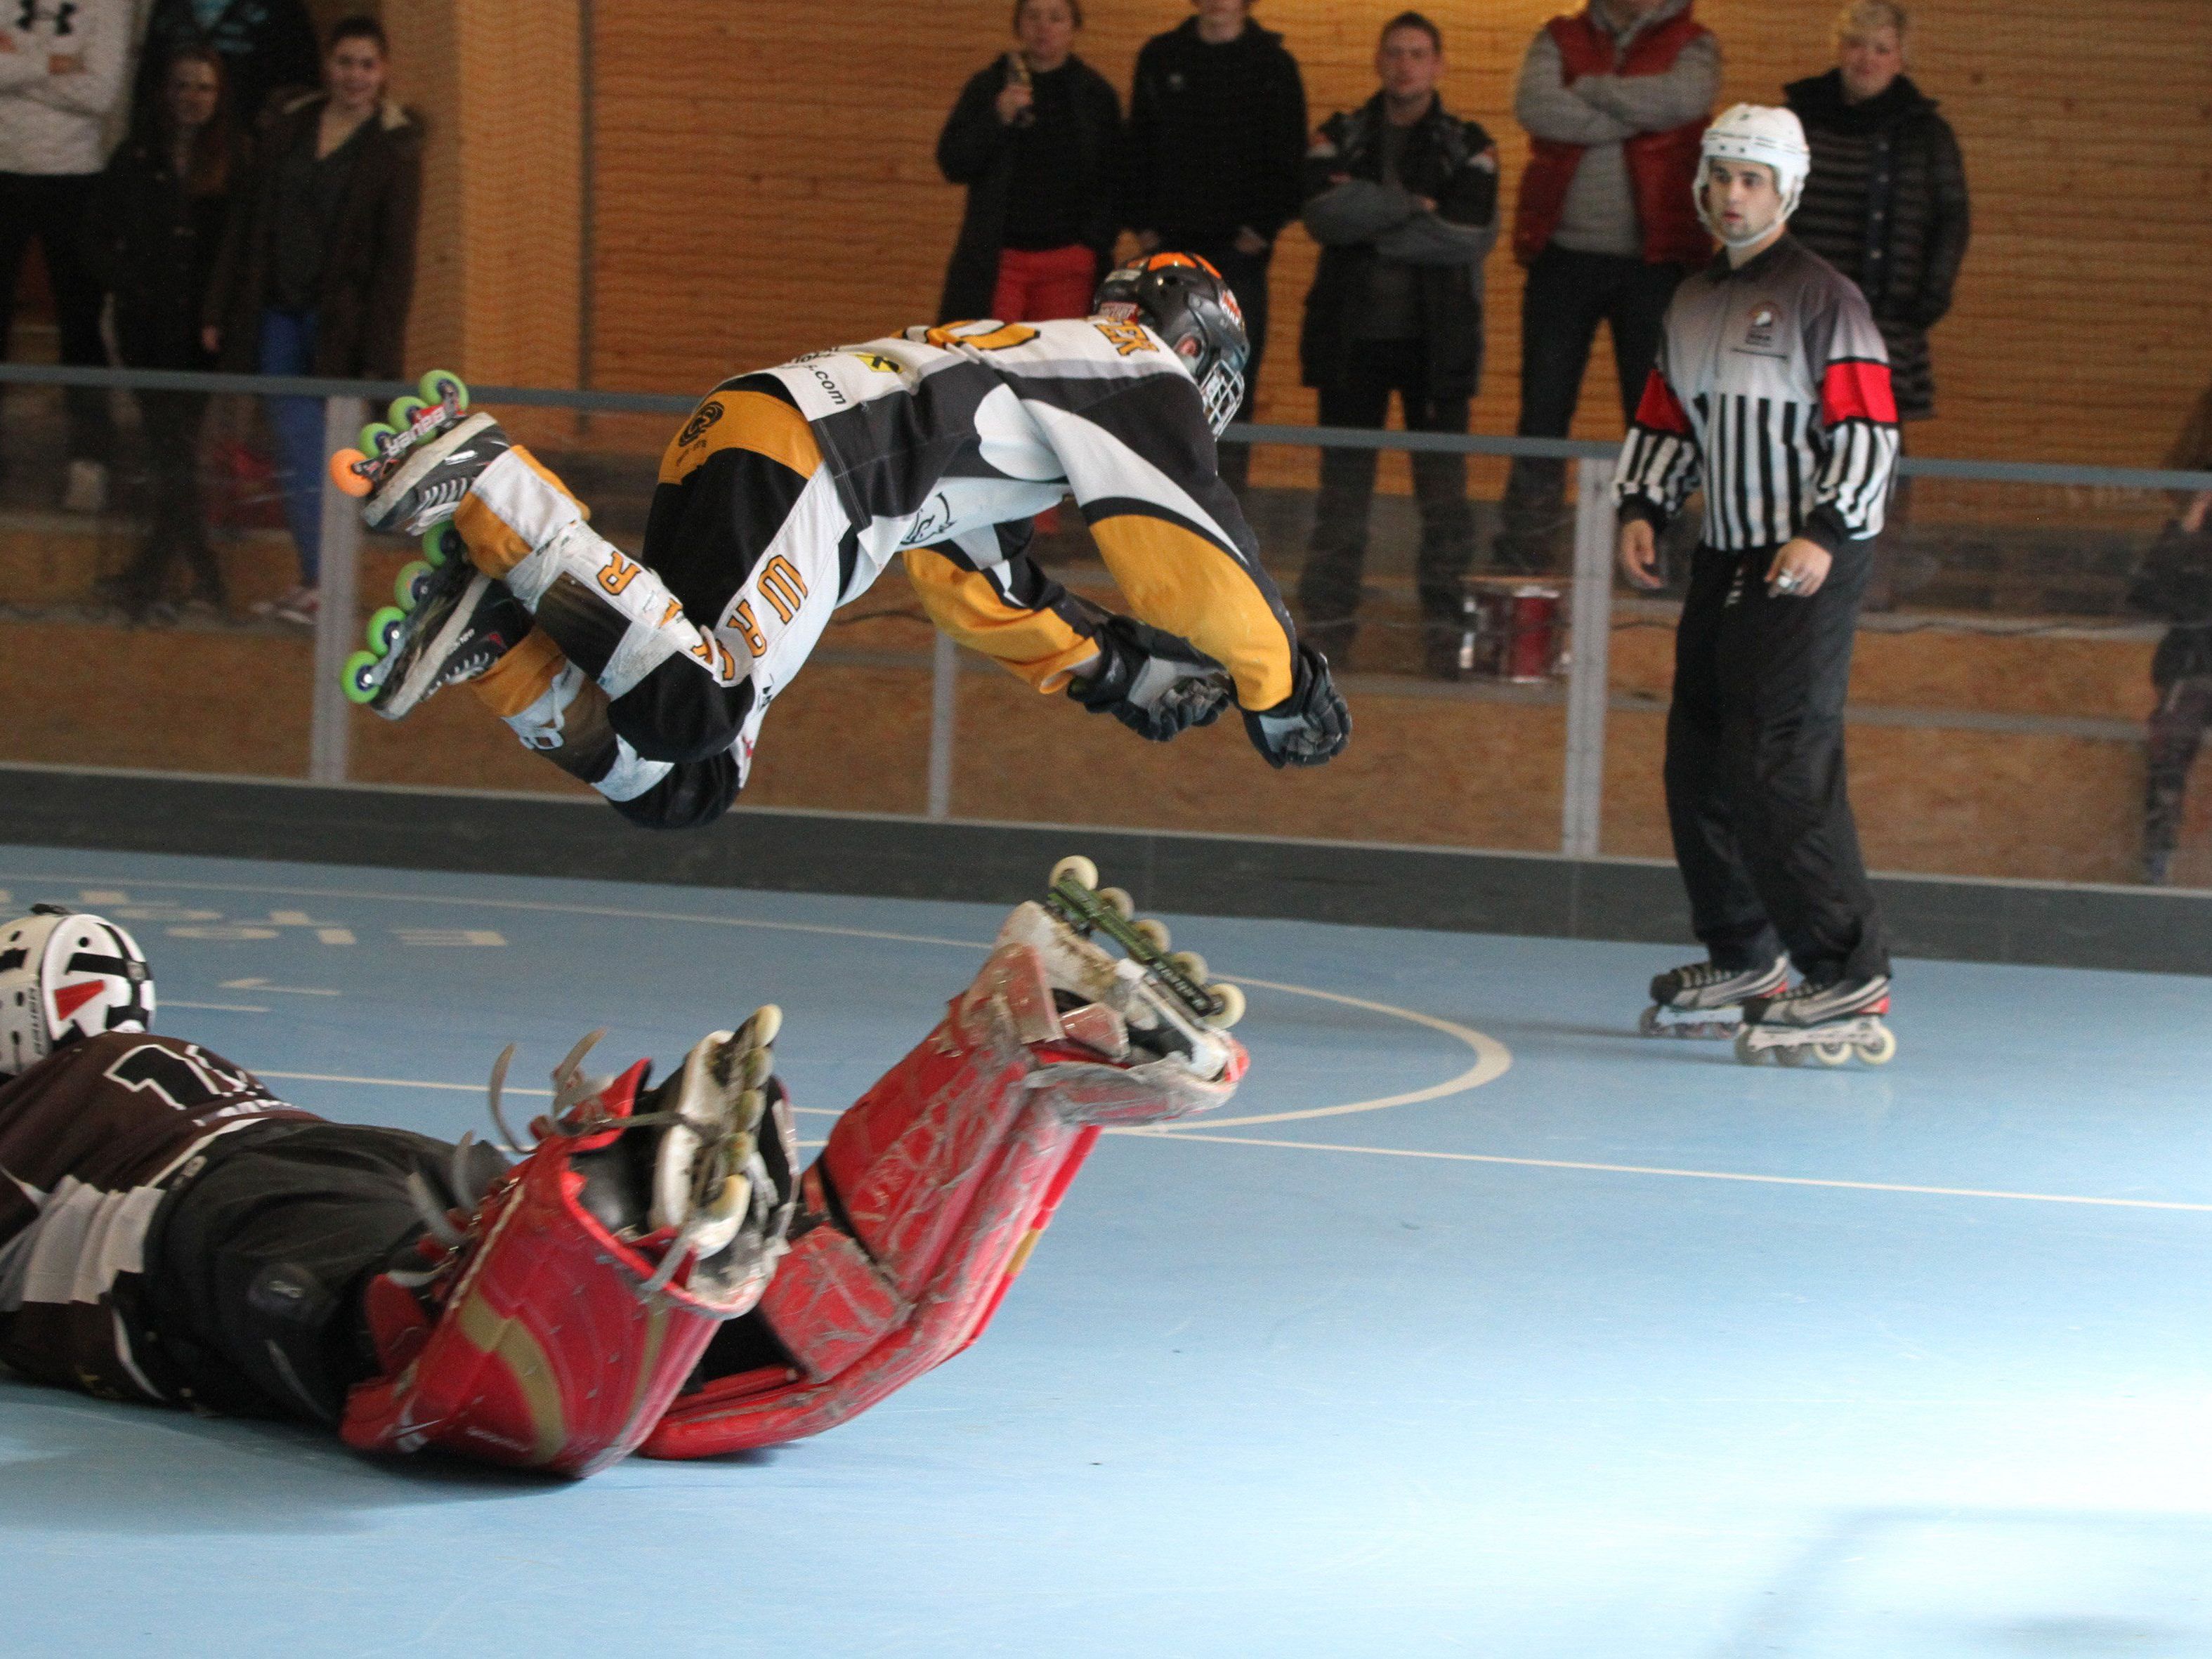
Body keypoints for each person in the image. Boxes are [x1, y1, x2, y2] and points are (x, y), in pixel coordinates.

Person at [0, 889, 1245, 1474]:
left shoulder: (30, 1115)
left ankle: (606, 1207)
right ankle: (1008, 1054)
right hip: (377, 1161)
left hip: (213, 1221)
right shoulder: (158, 1065)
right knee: (704, 1355)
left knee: (391, 1351)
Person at [343, 252, 1349, 832]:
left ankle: (503, 641)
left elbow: (975, 584)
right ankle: (487, 477)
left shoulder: (1051, 378)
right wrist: (1281, 679)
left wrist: (1115, 671)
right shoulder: (1139, 375)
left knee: (690, 779)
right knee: (698, 701)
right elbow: (1187, 547)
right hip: (813, 464)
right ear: (1203, 356)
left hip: (774, 444)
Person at [1615, 105, 1900, 1058]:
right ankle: (1745, 952)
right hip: (1729, 554)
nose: (1733, 196)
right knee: (1698, 757)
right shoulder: (1694, 298)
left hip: (1807, 557)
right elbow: (1668, 417)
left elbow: (1869, 433)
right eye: (1722, 177)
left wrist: (1823, 530)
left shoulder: (1826, 300)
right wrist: (1644, 507)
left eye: (1753, 180)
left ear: (1786, 192)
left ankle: (1846, 973)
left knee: (1780, 762)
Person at [1295, 11, 1498, 677]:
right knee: (1341, 500)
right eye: (1395, 54)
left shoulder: (1471, 142)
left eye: (1418, 54)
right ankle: (1325, 638)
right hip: (1350, 343)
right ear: (1379, 62)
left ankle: (1446, 638)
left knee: (1443, 502)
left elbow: (1468, 235)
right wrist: (1417, 207)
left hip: (1436, 348)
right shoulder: (1339, 133)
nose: (1405, 65)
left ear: (1437, 64)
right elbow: (1322, 217)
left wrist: (1368, 213)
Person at [204, 15, 421, 628]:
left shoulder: (394, 148)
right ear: (327, 65)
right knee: (297, 456)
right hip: (276, 312)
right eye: (345, 62)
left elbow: (394, 260)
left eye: (367, 65)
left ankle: (327, 582)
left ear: (384, 72)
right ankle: (316, 580)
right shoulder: (290, 126)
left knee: (322, 458)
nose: (354, 75)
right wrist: (220, 307)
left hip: (340, 331)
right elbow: (249, 223)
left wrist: (381, 355)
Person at [1493, 0, 1717, 576]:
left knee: (1654, 417)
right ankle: (1523, 557)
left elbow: (1684, 102)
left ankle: (1659, 559)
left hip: (1657, 262)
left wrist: (1589, 89)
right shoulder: (1558, 35)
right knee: (1541, 411)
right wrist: (1638, 114)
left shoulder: (1693, 40)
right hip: (1560, 258)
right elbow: (1537, 108)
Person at [1785, 1, 1968, 607]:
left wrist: (1927, 300)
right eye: (1857, 45)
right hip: (1800, 317)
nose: (1867, 59)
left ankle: (1871, 580)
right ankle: (1785, 569)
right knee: (1789, 437)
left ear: (1900, 58)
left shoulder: (1925, 132)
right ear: (1839, 48)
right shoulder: (1797, 117)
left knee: (1881, 447)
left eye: (1881, 49)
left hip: (1886, 321)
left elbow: (1951, 219)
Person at [84, 47, 246, 621]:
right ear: (165, 91)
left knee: (174, 451)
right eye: (182, 85)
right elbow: (97, 235)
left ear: (218, 94)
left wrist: (220, 316)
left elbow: (237, 251)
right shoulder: (137, 156)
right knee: (166, 449)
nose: (191, 97)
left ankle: (178, 575)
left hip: (198, 337)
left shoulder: (231, 162)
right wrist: (129, 286)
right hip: (146, 330)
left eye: (203, 87)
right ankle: (182, 574)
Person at [1125, 0, 1308, 494]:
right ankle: (1153, 505)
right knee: (1158, 381)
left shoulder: (1272, 64)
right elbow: (1137, 145)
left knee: (1230, 384)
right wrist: (1142, 225)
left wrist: (1261, 231)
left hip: (1238, 256)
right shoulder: (1162, 56)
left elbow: (1290, 157)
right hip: (1167, 253)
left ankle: (1227, 509)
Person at [0, 0, 129, 513]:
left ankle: (90, 458)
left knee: (81, 322)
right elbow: (80, 81)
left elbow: (100, 93)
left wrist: (15, 67)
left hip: (76, 175)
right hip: (2, 167)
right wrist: (56, 64)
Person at [936, 0, 1123, 328]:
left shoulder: (1094, 94)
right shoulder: (989, 86)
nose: (1043, 28)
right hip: (999, 259)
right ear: (1018, 25)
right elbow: (953, 162)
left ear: (1074, 27)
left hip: (1069, 260)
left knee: (1057, 365)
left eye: (1056, 18)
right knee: (990, 359)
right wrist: (997, 116)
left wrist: (1095, 242)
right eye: (1033, 16)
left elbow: (1117, 176)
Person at [2127, 384, 2212, 886]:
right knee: (2173, 738)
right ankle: (2155, 857)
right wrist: (2190, 522)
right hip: (2193, 659)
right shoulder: (2191, 524)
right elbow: (2149, 594)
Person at [133, 0, 320, 130]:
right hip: (171, 141)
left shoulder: (283, 7)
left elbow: (302, 83)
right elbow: (150, 74)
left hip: (246, 145)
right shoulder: (170, 5)